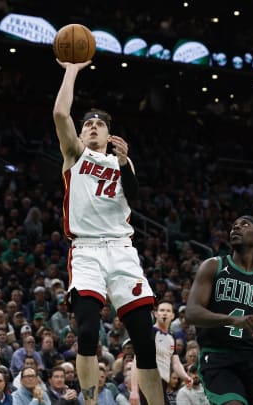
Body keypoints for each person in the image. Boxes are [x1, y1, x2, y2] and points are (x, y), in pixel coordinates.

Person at [53, 59, 163, 405]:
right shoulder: (74, 155)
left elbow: (135, 196)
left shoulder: (122, 163)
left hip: (121, 250)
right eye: (89, 124)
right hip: (85, 251)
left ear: (110, 134)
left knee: (145, 341)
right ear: (82, 133)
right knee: (87, 333)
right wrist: (71, 70)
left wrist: (126, 163)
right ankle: (89, 402)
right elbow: (60, 115)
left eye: (101, 124)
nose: (95, 127)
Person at [185, 215, 253, 405]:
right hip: (217, 357)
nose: (236, 228)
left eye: (244, 225)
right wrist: (231, 320)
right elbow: (191, 313)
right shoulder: (213, 266)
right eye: (234, 226)